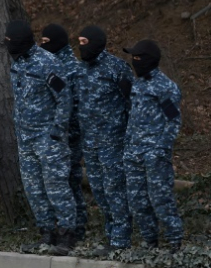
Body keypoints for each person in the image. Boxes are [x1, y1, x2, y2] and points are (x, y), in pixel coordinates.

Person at [5, 20, 76, 255]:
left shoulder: (48, 63)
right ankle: (47, 234)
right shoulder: (17, 63)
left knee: (55, 187)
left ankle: (66, 235)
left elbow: (64, 98)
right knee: (33, 190)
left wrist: (57, 131)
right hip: (26, 139)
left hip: (48, 138)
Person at [77, 26, 134, 253]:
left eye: (85, 41)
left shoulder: (117, 68)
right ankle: (110, 236)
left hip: (113, 142)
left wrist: (130, 137)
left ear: (96, 42)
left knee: (115, 189)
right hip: (89, 143)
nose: (81, 46)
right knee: (99, 191)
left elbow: (132, 102)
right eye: (79, 42)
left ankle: (121, 240)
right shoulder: (79, 70)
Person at [123, 40, 183, 252]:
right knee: (137, 202)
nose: (134, 62)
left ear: (148, 60)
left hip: (154, 154)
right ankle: (150, 243)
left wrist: (160, 150)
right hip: (134, 154)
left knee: (160, 199)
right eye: (133, 58)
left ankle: (174, 242)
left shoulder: (165, 87)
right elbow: (133, 117)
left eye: (138, 58)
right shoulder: (138, 84)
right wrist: (128, 146)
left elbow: (173, 121)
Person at [39, 24, 88, 242]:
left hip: (72, 136)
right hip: (57, 136)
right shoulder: (49, 63)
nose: (42, 45)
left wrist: (71, 133)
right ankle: (62, 228)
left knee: (71, 181)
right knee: (60, 183)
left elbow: (77, 105)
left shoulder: (72, 68)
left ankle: (77, 230)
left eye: (47, 41)